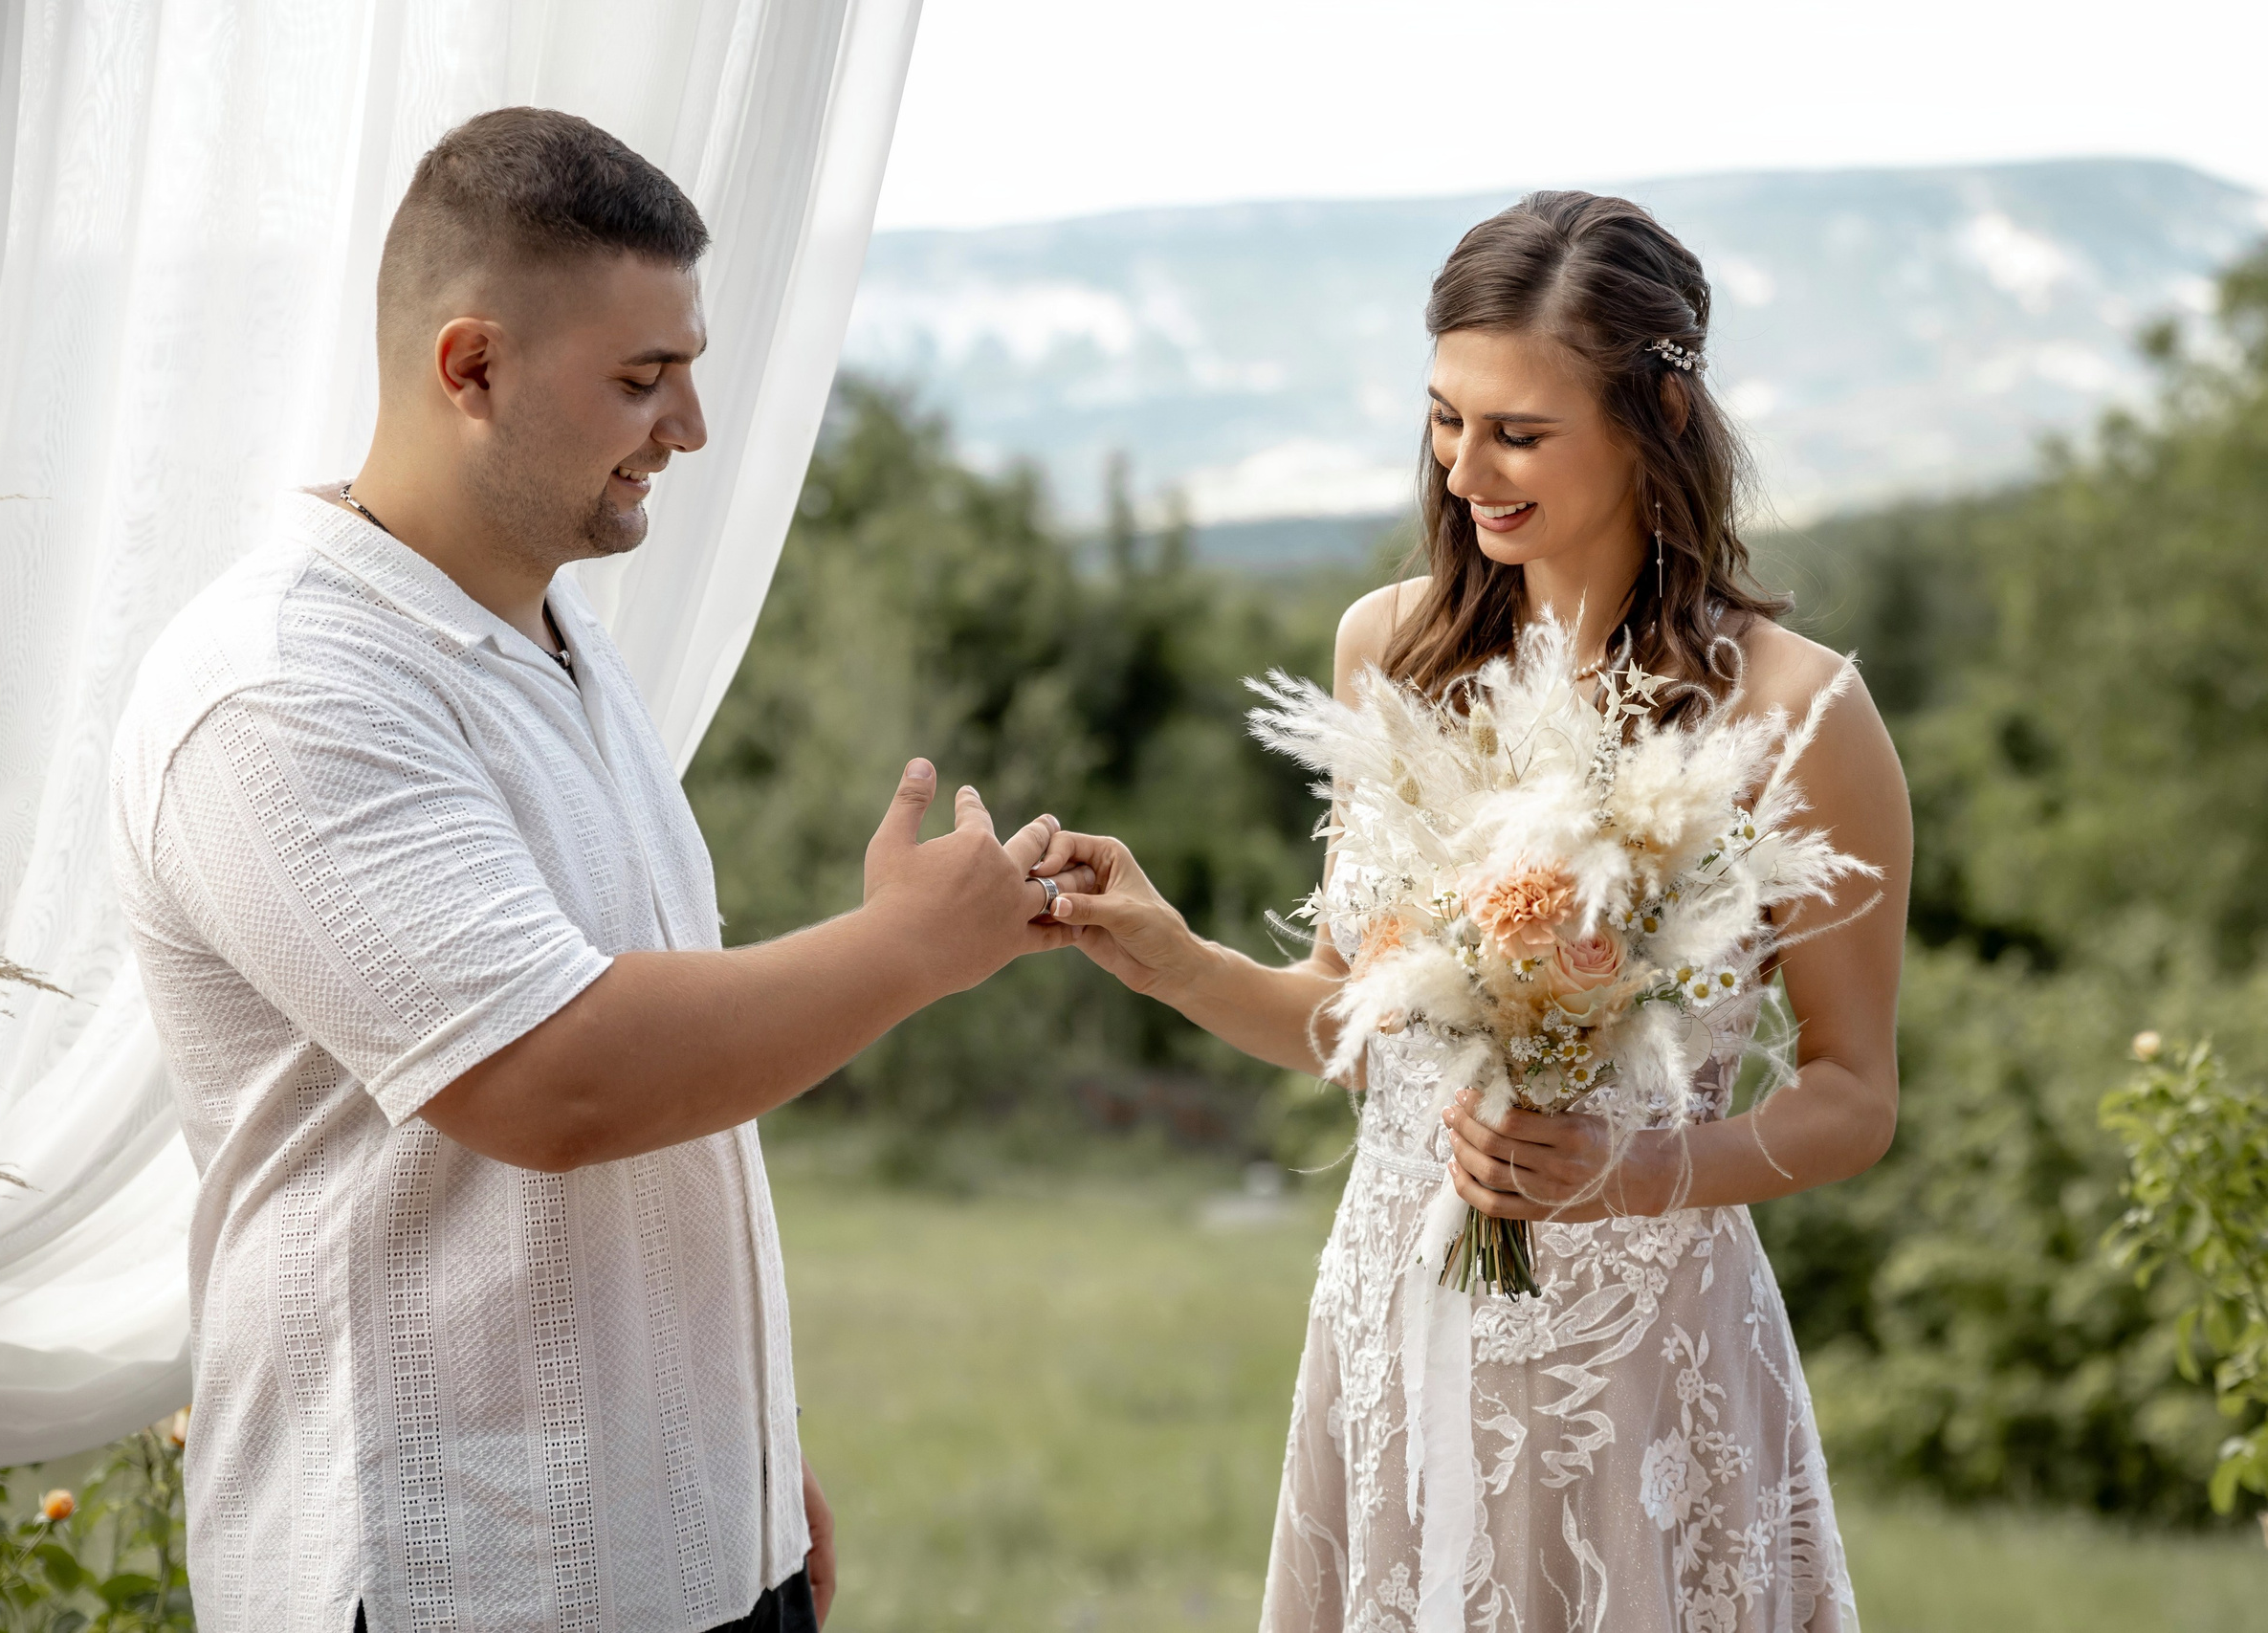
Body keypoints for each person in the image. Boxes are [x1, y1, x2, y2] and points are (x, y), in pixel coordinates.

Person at [110, 107, 1086, 1633]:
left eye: (687, 370)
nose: (688, 427)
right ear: (471, 366)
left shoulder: (560, 642)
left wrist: (742, 1448)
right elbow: (556, 1081)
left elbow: (666, 1064)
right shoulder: (283, 685)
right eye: (644, 379)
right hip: (455, 1575)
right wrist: (911, 947)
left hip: (688, 1542)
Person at [1034, 192, 1905, 1631]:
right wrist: (1174, 957)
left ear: (1661, 416)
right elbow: (1353, 1015)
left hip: (1637, 1374)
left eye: (1518, 431)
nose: (1467, 469)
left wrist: (1625, 1174)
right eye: (1446, 420)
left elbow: (1854, 1097)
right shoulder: (1389, 645)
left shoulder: (1801, 712)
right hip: (1394, 1315)